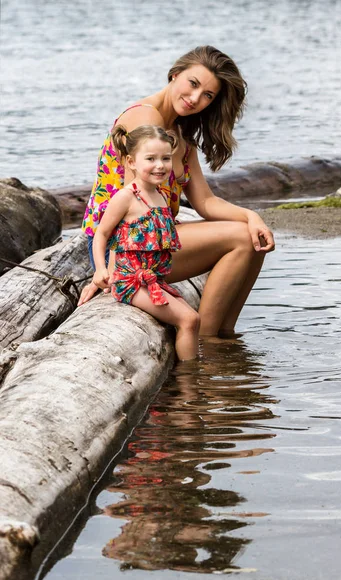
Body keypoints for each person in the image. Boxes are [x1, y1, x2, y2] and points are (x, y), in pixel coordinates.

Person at [79, 45, 275, 337]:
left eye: (208, 95)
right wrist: (108, 271)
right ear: (174, 75)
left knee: (253, 236)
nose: (196, 98)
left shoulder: (180, 135)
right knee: (241, 238)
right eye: (193, 84)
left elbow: (205, 201)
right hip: (129, 247)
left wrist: (251, 216)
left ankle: (224, 334)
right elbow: (128, 198)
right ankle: (207, 343)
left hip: (157, 238)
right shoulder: (145, 120)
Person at [93, 124, 200, 361]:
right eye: (150, 158)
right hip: (129, 281)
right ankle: (190, 382)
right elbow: (102, 234)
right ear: (131, 162)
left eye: (165, 158)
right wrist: (100, 269)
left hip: (154, 279)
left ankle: (189, 369)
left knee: (193, 317)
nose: (160, 165)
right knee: (189, 319)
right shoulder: (126, 197)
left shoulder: (160, 195)